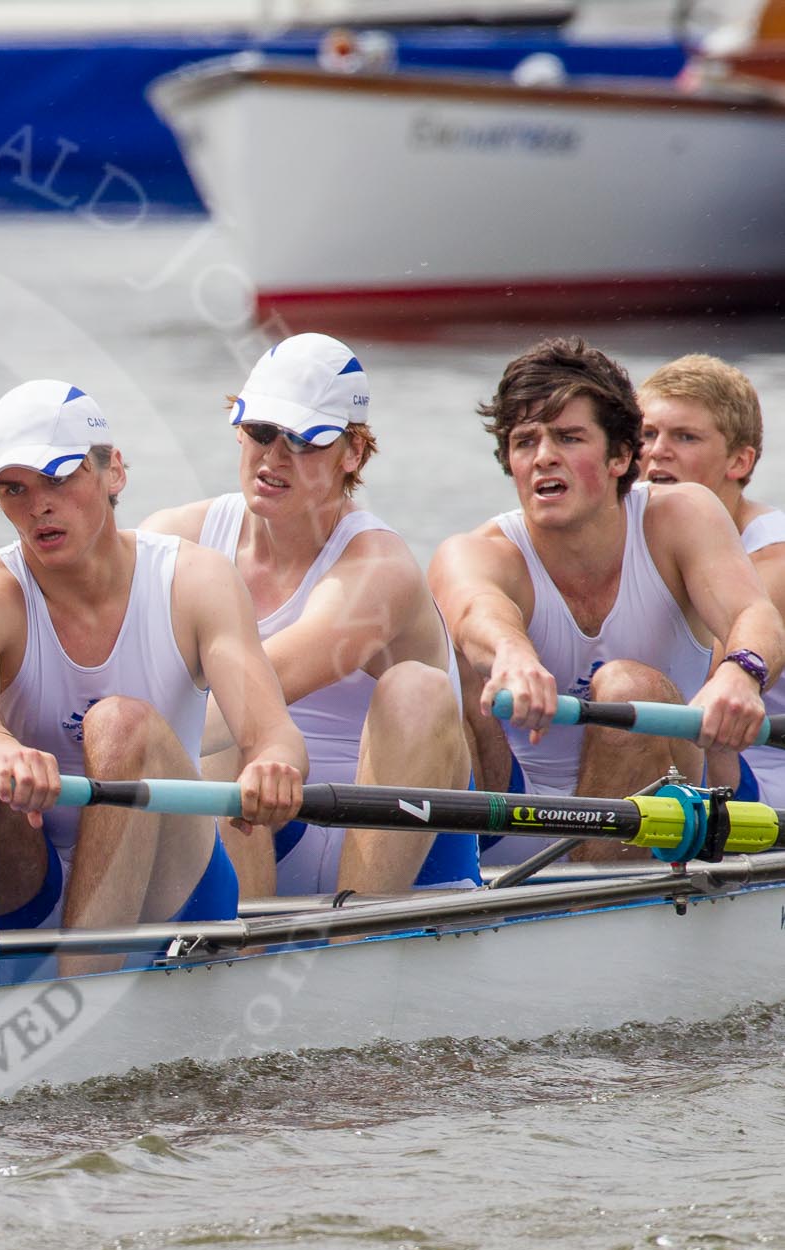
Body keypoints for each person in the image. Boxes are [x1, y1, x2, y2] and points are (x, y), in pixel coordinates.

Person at [0, 378, 306, 976]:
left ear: (114, 473)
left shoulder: (194, 581)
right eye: (14, 489)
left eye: (59, 478)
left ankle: (77, 993)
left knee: (119, 723)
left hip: (172, 885)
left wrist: (270, 768)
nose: (38, 507)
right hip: (34, 876)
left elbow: (273, 733)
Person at [143, 334, 478, 896]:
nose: (275, 456)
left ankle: (356, 943)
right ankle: (242, 949)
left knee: (410, 688)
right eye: (261, 431)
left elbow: (257, 692)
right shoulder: (174, 538)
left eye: (303, 439)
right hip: (258, 828)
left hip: (394, 841)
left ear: (353, 452)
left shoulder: (378, 568)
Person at [427, 337, 784, 863]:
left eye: (568, 438)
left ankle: (590, 895)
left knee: (626, 685)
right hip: (517, 810)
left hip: (667, 802)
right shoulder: (477, 551)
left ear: (622, 456)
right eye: (525, 442)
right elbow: (478, 610)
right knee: (434, 677)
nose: (544, 457)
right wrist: (512, 655)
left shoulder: (680, 517)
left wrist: (741, 673)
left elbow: (754, 615)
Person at [638, 353, 785, 800]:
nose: (657, 450)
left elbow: (692, 681)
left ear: (739, 462)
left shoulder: (774, 560)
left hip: (761, 776)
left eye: (685, 436)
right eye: (646, 434)